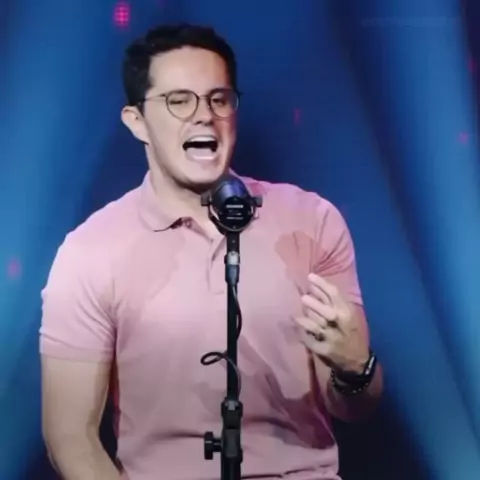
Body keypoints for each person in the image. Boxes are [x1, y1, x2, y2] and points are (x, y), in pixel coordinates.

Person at [40, 23, 383, 480]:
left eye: (218, 99)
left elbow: (355, 407)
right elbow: (70, 438)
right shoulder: (90, 251)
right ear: (137, 121)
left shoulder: (310, 222)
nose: (204, 115)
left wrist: (355, 368)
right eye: (179, 101)